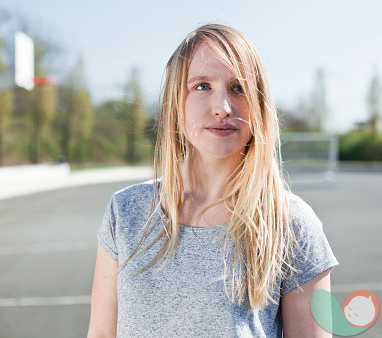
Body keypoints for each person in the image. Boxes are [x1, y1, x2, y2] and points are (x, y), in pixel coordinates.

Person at [88, 24, 338, 337]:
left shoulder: (292, 224)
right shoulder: (124, 212)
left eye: (239, 88)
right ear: (177, 102)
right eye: (202, 86)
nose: (222, 108)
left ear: (259, 105)